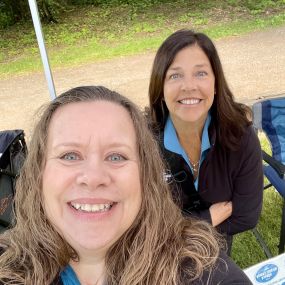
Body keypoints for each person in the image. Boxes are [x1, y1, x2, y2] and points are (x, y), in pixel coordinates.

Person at [0, 86, 251, 284]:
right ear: (38, 175)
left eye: (116, 156)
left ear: (146, 176)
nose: (93, 176)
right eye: (69, 156)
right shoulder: (7, 270)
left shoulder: (208, 276)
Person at [148, 29, 263, 252]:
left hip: (217, 256)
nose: (189, 86)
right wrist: (209, 217)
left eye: (200, 73)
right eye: (175, 75)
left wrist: (179, 228)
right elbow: (146, 227)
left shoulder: (240, 136)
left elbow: (246, 216)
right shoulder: (144, 143)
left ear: (216, 84)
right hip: (158, 260)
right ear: (160, 88)